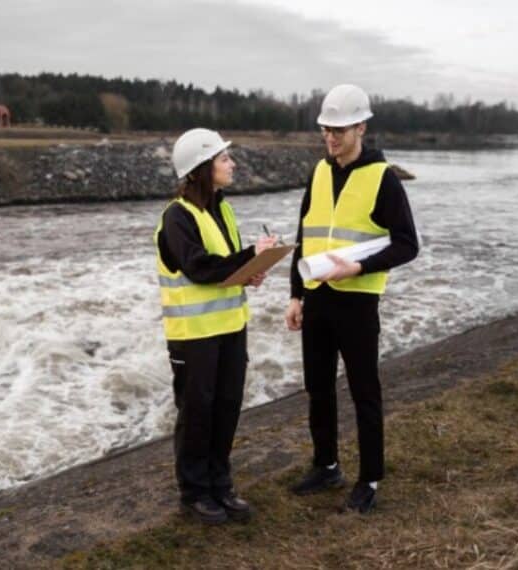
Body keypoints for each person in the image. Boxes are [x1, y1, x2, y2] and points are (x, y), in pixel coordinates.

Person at [285, 84, 420, 514]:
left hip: (358, 303)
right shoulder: (319, 172)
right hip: (317, 299)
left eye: (340, 129)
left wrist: (359, 267)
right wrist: (295, 294)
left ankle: (370, 479)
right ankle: (326, 465)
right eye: (327, 129)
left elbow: (407, 244)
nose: (331, 137)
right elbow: (304, 235)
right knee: (318, 388)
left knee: (365, 392)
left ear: (361, 127)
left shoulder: (383, 179)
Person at [155, 128, 277, 524]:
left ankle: (220, 484)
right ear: (201, 168)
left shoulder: (222, 209)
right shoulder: (177, 217)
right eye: (224, 158)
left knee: (226, 407)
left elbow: (225, 267)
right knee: (197, 412)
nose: (232, 164)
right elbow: (199, 267)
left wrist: (251, 270)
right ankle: (194, 493)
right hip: (194, 336)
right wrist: (246, 260)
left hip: (229, 327)